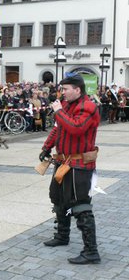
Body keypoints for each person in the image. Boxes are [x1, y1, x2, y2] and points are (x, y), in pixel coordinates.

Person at [39, 75, 101, 264]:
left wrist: (58, 112)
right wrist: (46, 147)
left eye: (66, 89)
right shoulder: (67, 107)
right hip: (63, 162)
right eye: (62, 89)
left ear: (78, 90)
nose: (62, 93)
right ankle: (62, 236)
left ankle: (91, 251)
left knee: (81, 206)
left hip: (80, 164)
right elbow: (59, 129)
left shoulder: (88, 107)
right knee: (59, 200)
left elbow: (76, 128)